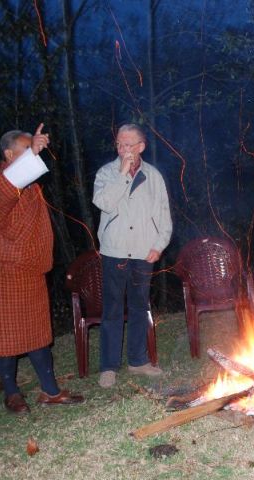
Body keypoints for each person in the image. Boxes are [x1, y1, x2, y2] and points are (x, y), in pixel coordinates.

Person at [0, 125, 84, 413]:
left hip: (32, 271)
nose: (33, 155)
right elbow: (6, 190)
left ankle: (50, 391)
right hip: (4, 270)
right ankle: (11, 393)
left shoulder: (33, 188)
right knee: (5, 336)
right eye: (26, 150)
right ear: (9, 154)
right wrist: (32, 153)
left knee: (36, 334)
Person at [92, 123, 172, 388]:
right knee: (112, 310)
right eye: (119, 144)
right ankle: (108, 367)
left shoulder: (154, 176)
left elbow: (163, 214)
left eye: (129, 145)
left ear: (141, 147)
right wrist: (123, 174)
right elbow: (103, 203)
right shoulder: (106, 172)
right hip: (114, 251)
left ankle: (138, 361)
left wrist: (159, 245)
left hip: (142, 252)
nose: (123, 149)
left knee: (140, 308)